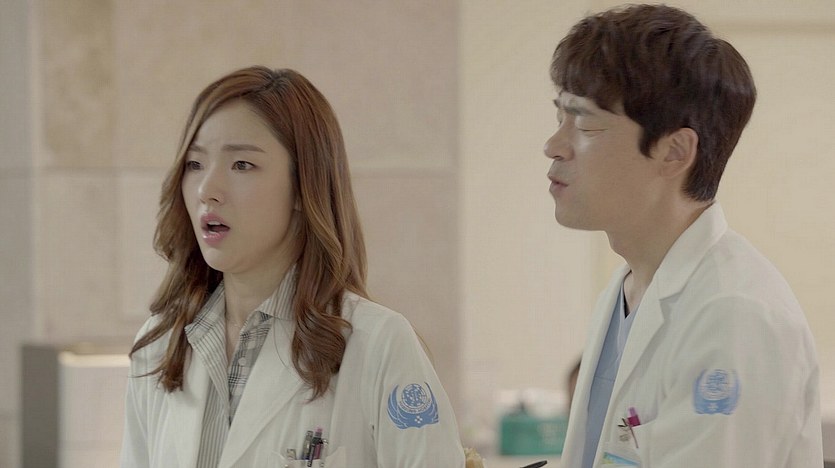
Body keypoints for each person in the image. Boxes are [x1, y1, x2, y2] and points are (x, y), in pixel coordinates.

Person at [120, 66, 465, 467]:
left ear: (304, 187)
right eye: (195, 164)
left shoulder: (379, 345)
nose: (206, 190)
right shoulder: (159, 347)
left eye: (241, 165)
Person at [543, 5, 822, 467]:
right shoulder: (629, 288)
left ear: (674, 151)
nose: (554, 146)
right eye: (560, 118)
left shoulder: (734, 315)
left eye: (585, 123)